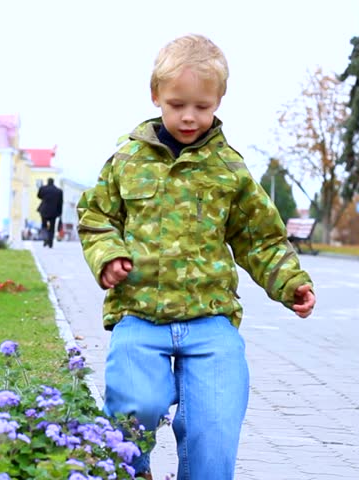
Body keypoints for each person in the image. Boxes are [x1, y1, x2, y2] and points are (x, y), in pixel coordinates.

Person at [76, 34, 316, 480]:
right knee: (136, 404)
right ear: (156, 96)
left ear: (219, 102)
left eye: (202, 107)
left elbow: (259, 237)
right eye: (177, 103)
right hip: (140, 314)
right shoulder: (127, 160)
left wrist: (290, 282)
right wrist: (108, 255)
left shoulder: (229, 168)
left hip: (210, 320)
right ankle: (134, 468)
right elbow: (96, 216)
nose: (189, 116)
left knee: (215, 430)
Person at [37, 178, 63, 248]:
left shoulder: (43, 189)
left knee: (44, 225)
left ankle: (45, 238)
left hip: (44, 210)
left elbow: (39, 196)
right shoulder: (59, 191)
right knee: (52, 227)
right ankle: (50, 242)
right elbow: (60, 203)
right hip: (54, 211)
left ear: (47, 182)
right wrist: (60, 213)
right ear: (53, 182)